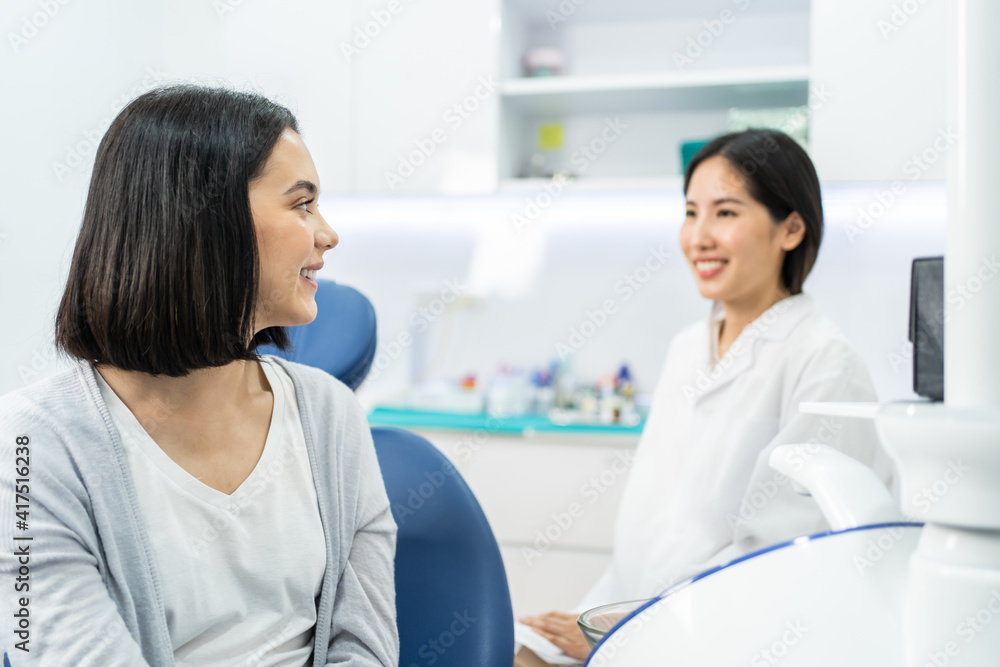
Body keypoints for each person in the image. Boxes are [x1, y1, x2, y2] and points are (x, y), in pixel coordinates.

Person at [0, 85, 398, 665]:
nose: (327, 234)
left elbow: (366, 649)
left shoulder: (331, 414)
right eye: (302, 204)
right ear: (208, 222)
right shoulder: (30, 444)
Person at [516, 129, 893, 664]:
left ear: (791, 228)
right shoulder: (687, 349)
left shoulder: (825, 362)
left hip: (735, 640)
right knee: (513, 654)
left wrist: (633, 625)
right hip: (632, 618)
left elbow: (780, 563)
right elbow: (650, 531)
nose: (698, 237)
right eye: (691, 212)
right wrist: (600, 623)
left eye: (726, 213)